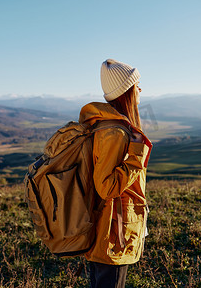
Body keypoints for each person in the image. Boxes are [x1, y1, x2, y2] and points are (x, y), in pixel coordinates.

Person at [79, 59, 152, 288]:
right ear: (126, 92)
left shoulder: (114, 126)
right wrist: (136, 155)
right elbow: (107, 187)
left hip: (110, 230)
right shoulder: (115, 132)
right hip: (112, 234)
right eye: (136, 84)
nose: (140, 89)